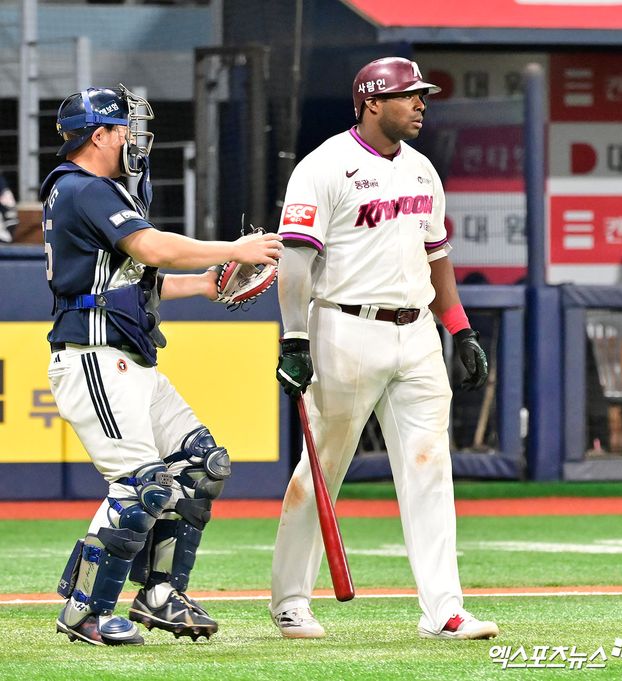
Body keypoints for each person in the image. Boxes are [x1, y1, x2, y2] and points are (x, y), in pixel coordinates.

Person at [41, 84, 282, 646]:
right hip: (94, 358)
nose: (134, 140)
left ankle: (159, 595)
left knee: (201, 465)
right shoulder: (83, 187)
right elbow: (152, 249)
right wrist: (234, 249)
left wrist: (201, 284)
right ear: (98, 135)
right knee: (141, 486)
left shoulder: (94, 191)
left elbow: (127, 284)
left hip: (127, 358)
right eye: (124, 129)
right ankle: (84, 610)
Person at [271, 57, 498, 640]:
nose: (421, 104)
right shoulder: (324, 166)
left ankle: (443, 609)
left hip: (416, 332)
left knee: (430, 467)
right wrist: (294, 338)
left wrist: (460, 328)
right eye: (409, 95)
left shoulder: (422, 169)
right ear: (372, 101)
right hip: (344, 327)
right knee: (323, 467)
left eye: (423, 95)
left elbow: (436, 256)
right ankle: (291, 600)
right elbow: (295, 262)